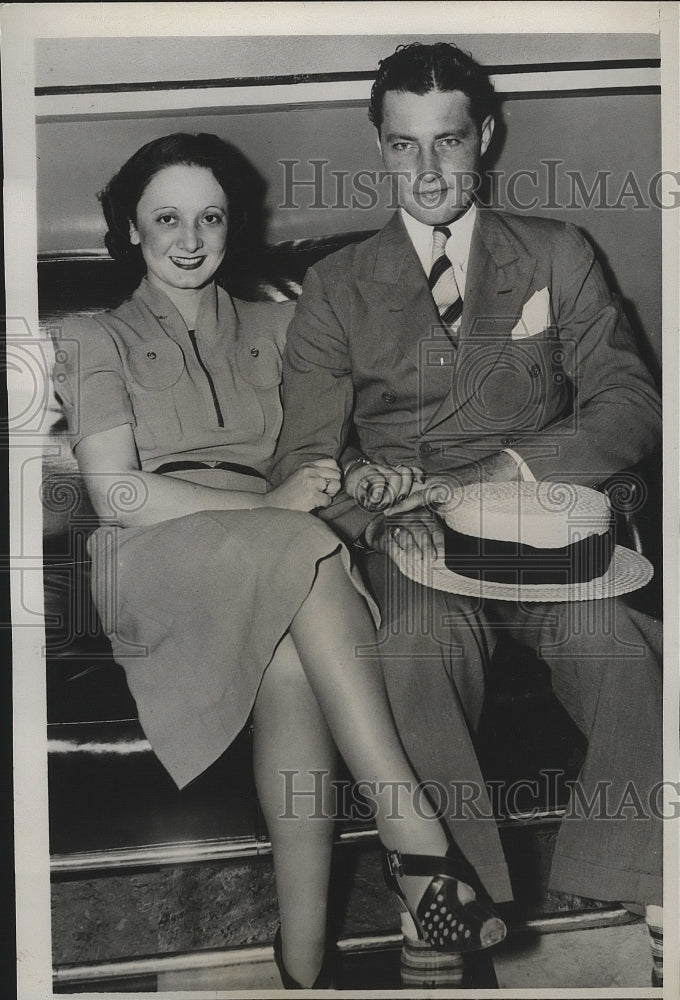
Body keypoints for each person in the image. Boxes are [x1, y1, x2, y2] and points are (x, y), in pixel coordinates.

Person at [52, 131, 511, 990]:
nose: (189, 240)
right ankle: (417, 841)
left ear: (234, 225)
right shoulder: (91, 336)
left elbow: (337, 446)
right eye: (166, 220)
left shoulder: (284, 321)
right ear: (129, 231)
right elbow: (118, 494)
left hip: (281, 555)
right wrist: (273, 506)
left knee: (296, 670)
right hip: (156, 555)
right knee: (300, 545)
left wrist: (369, 488)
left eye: (210, 218)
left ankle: (303, 966)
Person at [271, 43, 663, 988]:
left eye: (448, 143)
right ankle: (449, 906)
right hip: (409, 545)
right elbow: (301, 460)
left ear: (483, 136)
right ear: (379, 147)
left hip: (537, 526)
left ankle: (659, 896)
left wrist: (505, 467)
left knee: (625, 650)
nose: (431, 172)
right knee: (409, 643)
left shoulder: (558, 252)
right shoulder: (335, 287)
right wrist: (367, 513)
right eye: (405, 148)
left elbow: (629, 403)